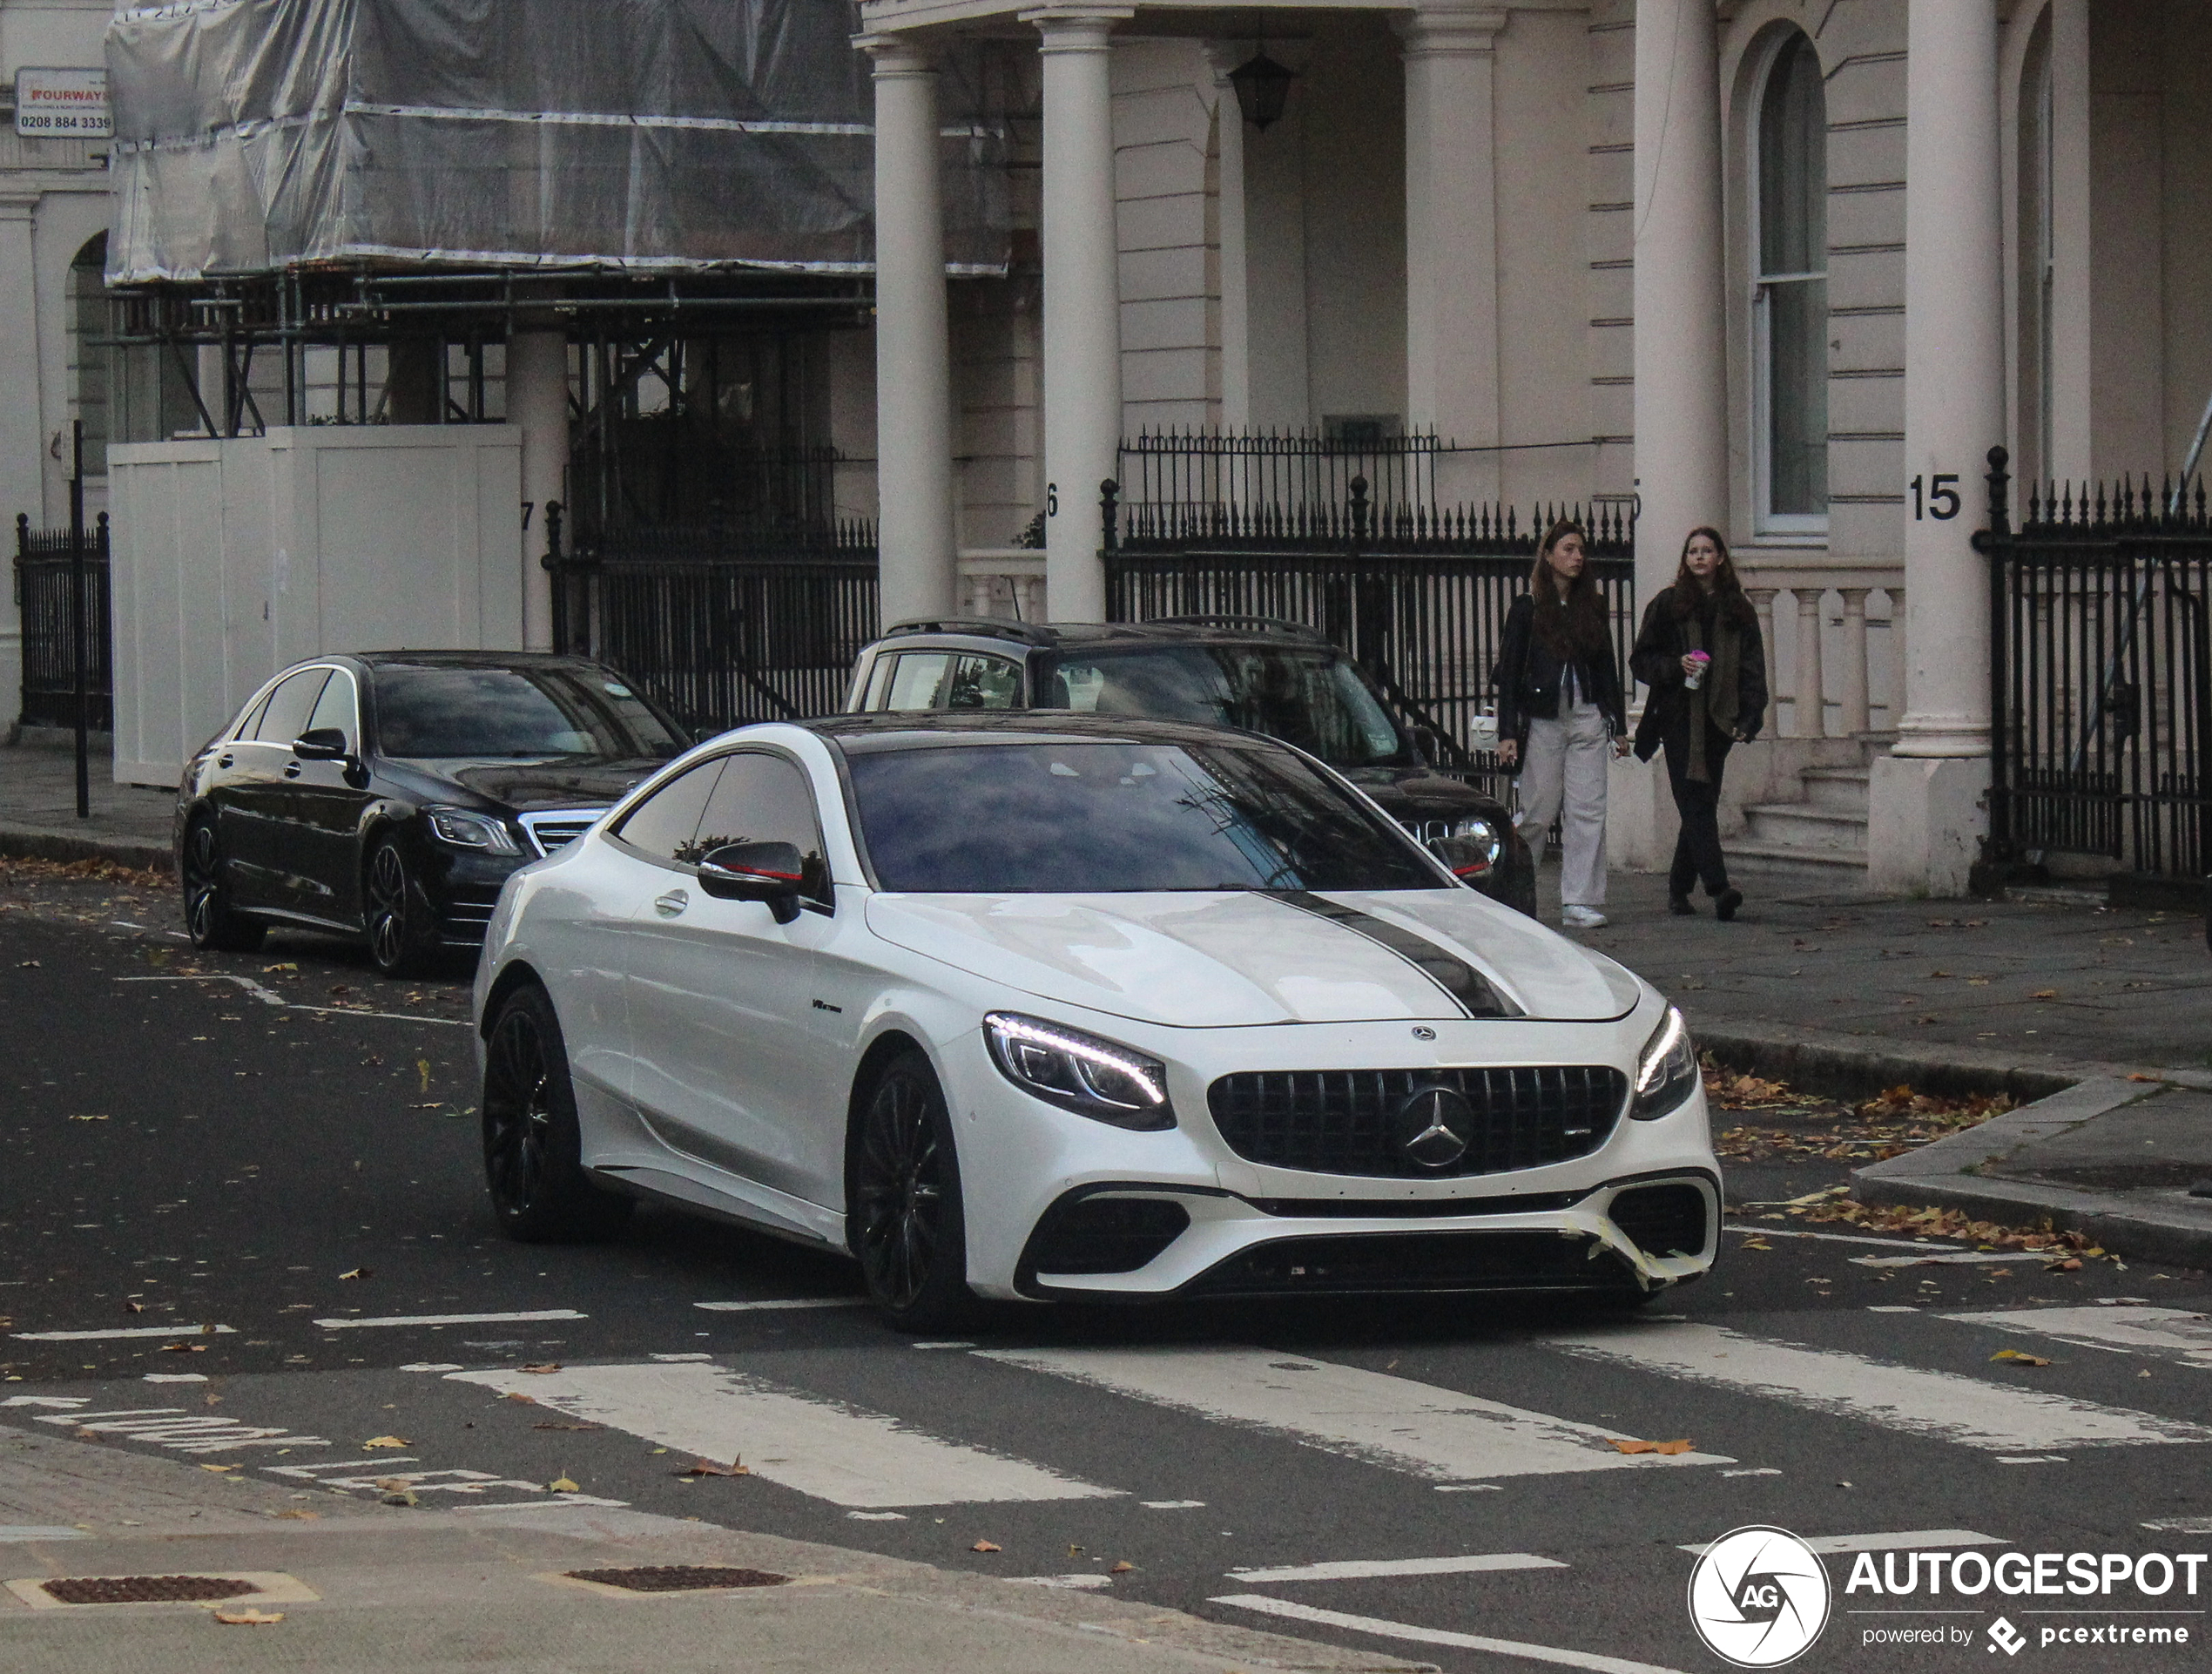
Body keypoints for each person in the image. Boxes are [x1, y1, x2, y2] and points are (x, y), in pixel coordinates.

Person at [1631, 526, 1770, 921]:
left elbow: (1752, 669)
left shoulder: (1738, 610)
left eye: (1707, 551)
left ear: (1721, 558)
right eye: (1692, 551)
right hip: (1677, 717)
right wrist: (1677, 665)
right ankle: (1719, 887)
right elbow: (1641, 660)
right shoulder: (1669, 604)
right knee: (1694, 802)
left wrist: (1750, 716)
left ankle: (1678, 890)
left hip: (1718, 720)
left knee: (1701, 804)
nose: (1699, 558)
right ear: (1685, 559)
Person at [1495, 519, 1629, 929]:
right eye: (1568, 549)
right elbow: (1511, 670)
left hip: (1587, 714)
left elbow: (1606, 666)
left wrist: (1618, 725)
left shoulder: (1591, 606)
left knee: (1588, 809)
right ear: (1549, 555)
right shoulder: (1528, 608)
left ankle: (1579, 901)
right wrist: (1506, 733)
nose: (1576, 557)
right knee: (1538, 809)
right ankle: (1513, 890)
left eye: (1580, 550)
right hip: (1544, 719)